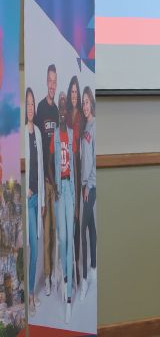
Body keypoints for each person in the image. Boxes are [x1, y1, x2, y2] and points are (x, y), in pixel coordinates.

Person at [34, 64, 59, 299]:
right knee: (47, 234)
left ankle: (56, 274)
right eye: (49, 80)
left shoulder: (57, 113)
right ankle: (48, 277)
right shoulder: (41, 109)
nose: (52, 85)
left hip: (59, 183)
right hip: (46, 184)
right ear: (46, 81)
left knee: (56, 230)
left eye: (55, 81)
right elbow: (40, 150)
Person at [53, 92, 76, 322]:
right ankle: (64, 271)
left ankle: (69, 295)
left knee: (70, 237)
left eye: (63, 106)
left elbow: (75, 168)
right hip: (60, 192)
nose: (61, 110)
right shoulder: (54, 138)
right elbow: (52, 166)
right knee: (61, 239)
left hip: (71, 191)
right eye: (59, 106)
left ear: (66, 111)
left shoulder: (71, 134)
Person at [24, 87, 43, 314]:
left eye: (32, 104)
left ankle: (30, 293)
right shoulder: (21, 133)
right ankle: (28, 295)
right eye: (27, 104)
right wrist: (26, 191)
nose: (30, 108)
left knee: (36, 249)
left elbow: (39, 167)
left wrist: (44, 202)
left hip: (38, 200)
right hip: (28, 200)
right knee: (32, 247)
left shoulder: (37, 132)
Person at [78, 86, 97, 301]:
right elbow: (84, 159)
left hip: (91, 186)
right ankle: (93, 268)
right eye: (82, 102)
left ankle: (84, 279)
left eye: (86, 101)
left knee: (82, 228)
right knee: (90, 225)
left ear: (92, 102)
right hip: (85, 184)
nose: (84, 105)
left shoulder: (95, 126)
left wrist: (87, 185)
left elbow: (94, 161)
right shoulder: (85, 126)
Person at [67, 75, 83, 292]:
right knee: (68, 221)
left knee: (77, 220)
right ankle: (69, 267)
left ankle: (78, 268)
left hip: (78, 170)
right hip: (66, 172)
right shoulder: (66, 118)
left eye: (75, 92)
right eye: (70, 92)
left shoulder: (81, 116)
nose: (73, 95)